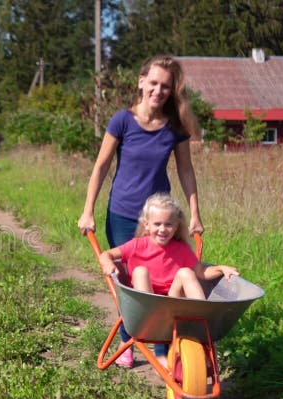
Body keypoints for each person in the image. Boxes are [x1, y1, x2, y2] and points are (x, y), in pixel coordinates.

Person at [78, 54, 205, 368]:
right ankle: (128, 337)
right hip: (122, 213)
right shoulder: (122, 120)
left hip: (160, 219)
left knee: (163, 278)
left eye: (165, 86)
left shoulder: (174, 128)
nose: (158, 90)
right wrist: (87, 210)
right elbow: (101, 166)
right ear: (141, 82)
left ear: (171, 90)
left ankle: (161, 345)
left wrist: (195, 214)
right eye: (153, 83)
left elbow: (186, 171)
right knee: (128, 280)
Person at [98, 193, 238, 367]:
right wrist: (108, 264)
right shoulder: (137, 245)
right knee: (141, 271)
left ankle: (201, 319)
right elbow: (107, 254)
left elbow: (201, 272)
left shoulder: (181, 249)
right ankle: (151, 330)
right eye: (157, 224)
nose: (162, 229)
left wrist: (220, 268)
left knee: (186, 272)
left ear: (176, 226)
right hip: (146, 308)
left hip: (171, 304)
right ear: (147, 225)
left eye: (168, 224)